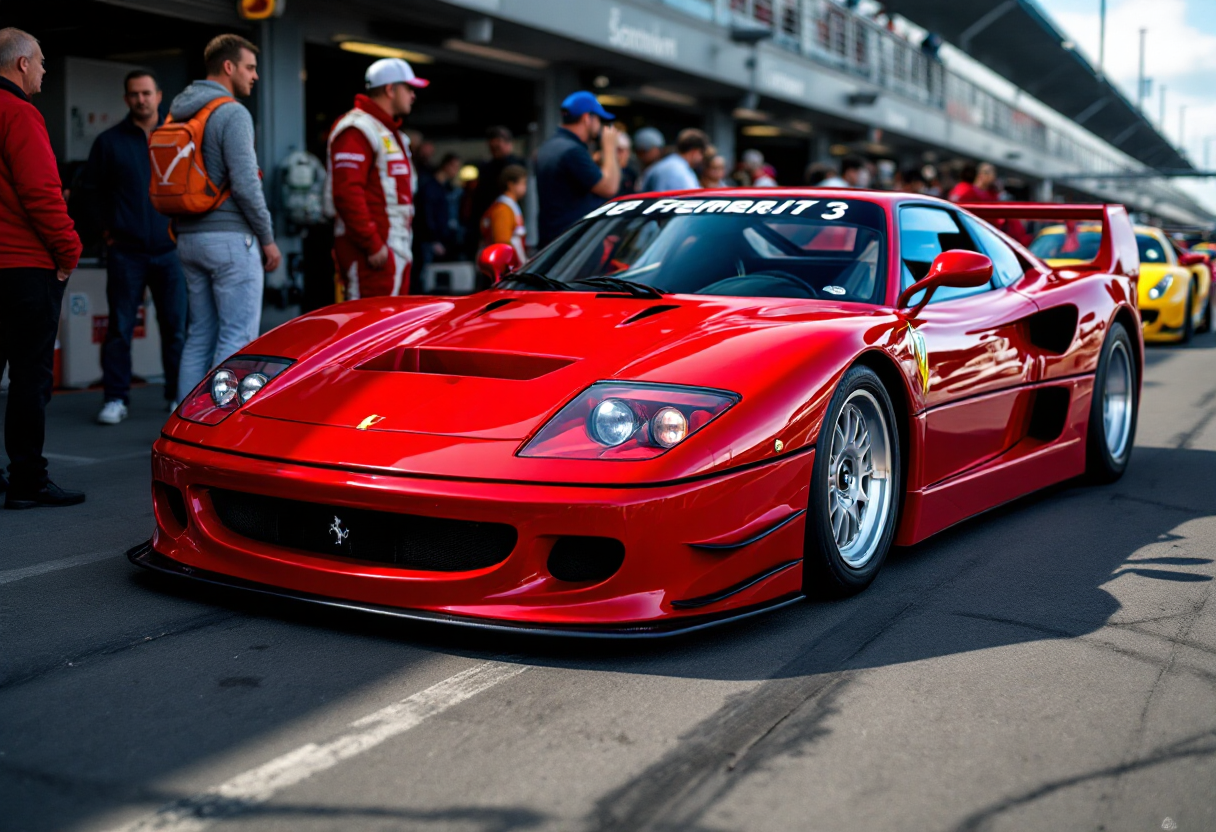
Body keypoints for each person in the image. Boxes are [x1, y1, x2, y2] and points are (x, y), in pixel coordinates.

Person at [170, 34, 280, 405]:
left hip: (188, 238)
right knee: (237, 337)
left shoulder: (179, 111)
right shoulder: (231, 112)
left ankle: (185, 417)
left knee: (199, 333)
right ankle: (219, 421)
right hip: (232, 240)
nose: (255, 76)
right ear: (228, 67)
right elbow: (247, 185)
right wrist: (267, 238)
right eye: (250, 68)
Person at [0, 28, 85, 508]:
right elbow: (41, 193)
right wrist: (69, 251)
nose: (46, 71)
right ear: (22, 65)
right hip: (25, 268)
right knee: (30, 378)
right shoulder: (21, 113)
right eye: (42, 62)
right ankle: (28, 482)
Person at [80, 69, 185, 425]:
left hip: (170, 250)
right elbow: (88, 193)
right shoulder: (109, 142)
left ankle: (177, 397)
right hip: (125, 250)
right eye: (134, 94)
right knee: (119, 328)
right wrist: (105, 233)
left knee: (176, 328)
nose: (141, 99)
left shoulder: (177, 136)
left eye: (146, 93)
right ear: (126, 99)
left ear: (158, 95)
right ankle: (115, 399)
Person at [325, 57, 427, 301]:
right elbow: (347, 193)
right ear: (390, 89)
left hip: (394, 250)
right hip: (371, 254)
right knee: (366, 330)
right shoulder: (357, 128)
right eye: (409, 88)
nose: (413, 95)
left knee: (391, 327)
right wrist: (372, 244)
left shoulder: (393, 134)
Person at [535, 91, 619, 247]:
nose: (600, 125)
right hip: (572, 248)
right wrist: (610, 147)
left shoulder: (550, 146)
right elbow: (609, 188)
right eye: (598, 119)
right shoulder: (572, 151)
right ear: (587, 118)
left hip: (555, 244)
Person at [466, 126, 525, 255]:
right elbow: (479, 200)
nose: (494, 151)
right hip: (495, 220)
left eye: (498, 147)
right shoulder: (486, 168)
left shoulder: (516, 166)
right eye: (492, 148)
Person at [414, 152, 463, 270]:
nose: (456, 171)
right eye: (455, 167)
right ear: (446, 166)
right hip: (428, 241)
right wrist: (433, 239)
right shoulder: (430, 187)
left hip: (440, 238)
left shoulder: (445, 188)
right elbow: (427, 214)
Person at [480, 164, 528, 263]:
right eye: (523, 183)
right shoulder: (503, 209)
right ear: (511, 185)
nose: (525, 187)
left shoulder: (510, 206)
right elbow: (502, 243)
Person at [638, 128, 708, 193]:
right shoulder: (680, 171)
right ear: (694, 152)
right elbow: (693, 200)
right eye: (701, 153)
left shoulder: (663, 165)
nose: (701, 158)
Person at [614, 132, 638, 196]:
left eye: (621, 150)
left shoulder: (631, 173)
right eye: (615, 150)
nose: (618, 155)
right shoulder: (604, 173)